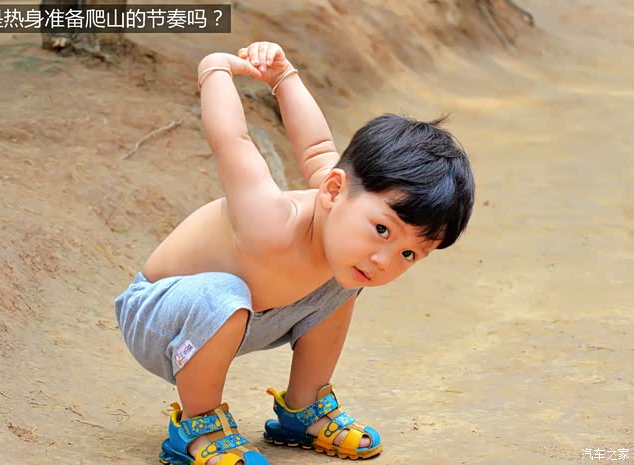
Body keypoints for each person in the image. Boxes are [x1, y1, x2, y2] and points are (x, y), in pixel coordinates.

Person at [114, 41, 475, 465]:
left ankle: (303, 409)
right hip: (162, 320)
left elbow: (317, 146)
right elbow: (231, 140)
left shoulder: (342, 218)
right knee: (222, 294)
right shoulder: (267, 220)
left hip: (249, 317)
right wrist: (214, 70)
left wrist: (284, 77)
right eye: (382, 230)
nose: (384, 261)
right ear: (334, 190)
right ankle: (199, 425)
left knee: (344, 281)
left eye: (409, 254)